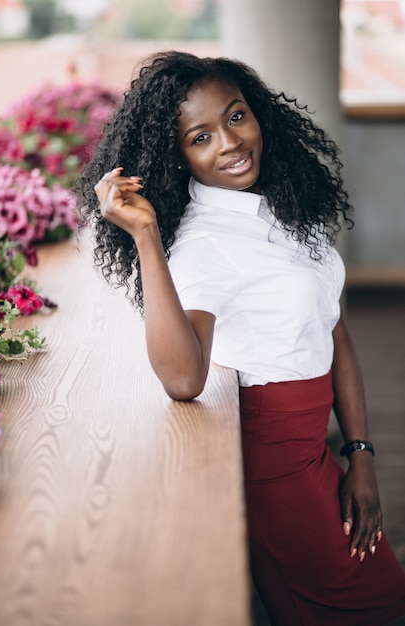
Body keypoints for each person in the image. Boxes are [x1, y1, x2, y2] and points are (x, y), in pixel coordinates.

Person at [76, 50, 405, 625]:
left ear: (258, 115)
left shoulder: (284, 211)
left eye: (234, 117)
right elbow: (183, 378)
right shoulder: (205, 247)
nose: (229, 143)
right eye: (200, 137)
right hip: (275, 473)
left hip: (319, 450)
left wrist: (361, 455)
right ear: (177, 157)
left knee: (378, 600)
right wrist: (147, 236)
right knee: (361, 606)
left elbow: (335, 335)